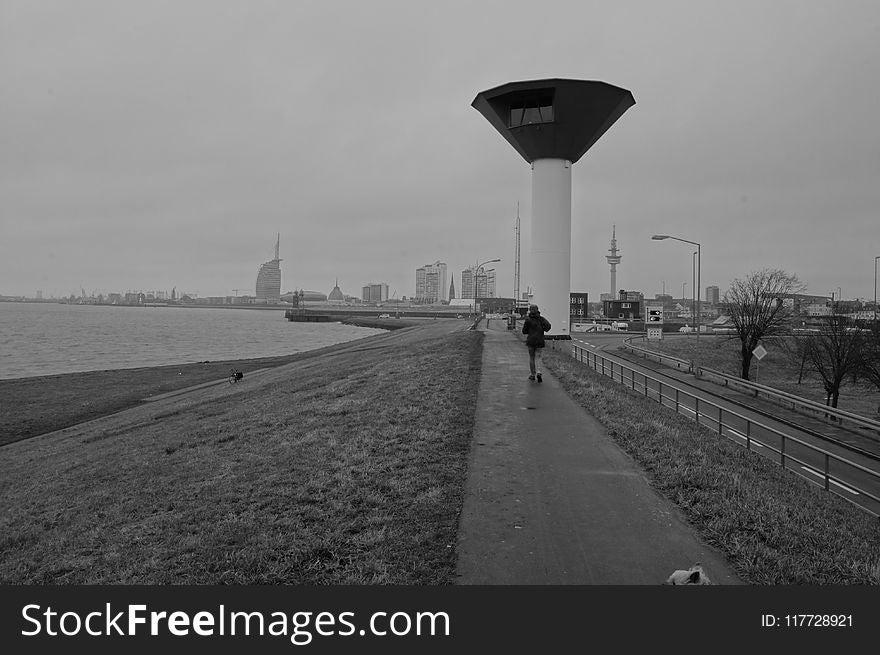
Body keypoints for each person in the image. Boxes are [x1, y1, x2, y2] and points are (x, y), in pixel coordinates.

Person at [521, 304, 551, 382]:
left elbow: (524, 331)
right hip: (540, 341)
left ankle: (532, 374)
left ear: (530, 310)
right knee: (538, 357)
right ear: (537, 310)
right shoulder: (541, 319)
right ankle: (539, 372)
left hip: (531, 341)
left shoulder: (528, 320)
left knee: (532, 358)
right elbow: (548, 326)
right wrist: (543, 329)